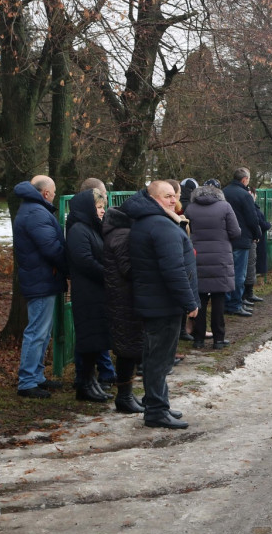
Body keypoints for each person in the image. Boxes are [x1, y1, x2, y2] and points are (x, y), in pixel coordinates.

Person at [124, 181, 199, 429]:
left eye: (173, 196)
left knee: (156, 356)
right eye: (167, 196)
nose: (172, 200)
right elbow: (173, 270)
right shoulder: (158, 225)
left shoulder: (151, 221)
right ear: (153, 198)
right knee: (159, 360)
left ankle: (157, 402)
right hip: (162, 302)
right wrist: (189, 302)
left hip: (157, 300)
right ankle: (156, 410)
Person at [12, 176, 67, 399]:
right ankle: (27, 381)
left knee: (42, 332)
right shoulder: (36, 212)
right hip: (41, 277)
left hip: (42, 277)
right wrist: (67, 267)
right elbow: (51, 247)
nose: (54, 196)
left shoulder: (32, 209)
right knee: (37, 331)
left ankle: (37, 376)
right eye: (53, 192)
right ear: (45, 193)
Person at [65, 188, 113, 403]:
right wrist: (107, 274)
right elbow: (83, 260)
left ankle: (91, 381)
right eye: (99, 207)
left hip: (97, 291)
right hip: (87, 291)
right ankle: (84, 383)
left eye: (103, 207)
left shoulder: (92, 228)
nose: (102, 211)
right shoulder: (78, 230)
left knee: (96, 339)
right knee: (88, 339)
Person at [185, 181, 241, 348]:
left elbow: (186, 232)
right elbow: (235, 232)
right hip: (220, 257)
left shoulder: (190, 208)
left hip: (197, 257)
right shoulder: (225, 207)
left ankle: (199, 338)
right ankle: (218, 339)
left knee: (199, 298)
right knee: (218, 298)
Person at [102, 199, 145, 415]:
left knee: (129, 347)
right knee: (127, 348)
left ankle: (127, 394)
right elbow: (128, 269)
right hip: (123, 299)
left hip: (122, 297)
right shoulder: (122, 235)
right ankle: (124, 396)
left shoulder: (118, 232)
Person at [223, 168, 260, 315]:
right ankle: (235, 304)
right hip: (242, 238)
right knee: (239, 274)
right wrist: (257, 233)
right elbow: (252, 218)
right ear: (244, 179)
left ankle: (226, 302)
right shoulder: (245, 195)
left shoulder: (223, 192)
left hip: (226, 238)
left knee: (227, 273)